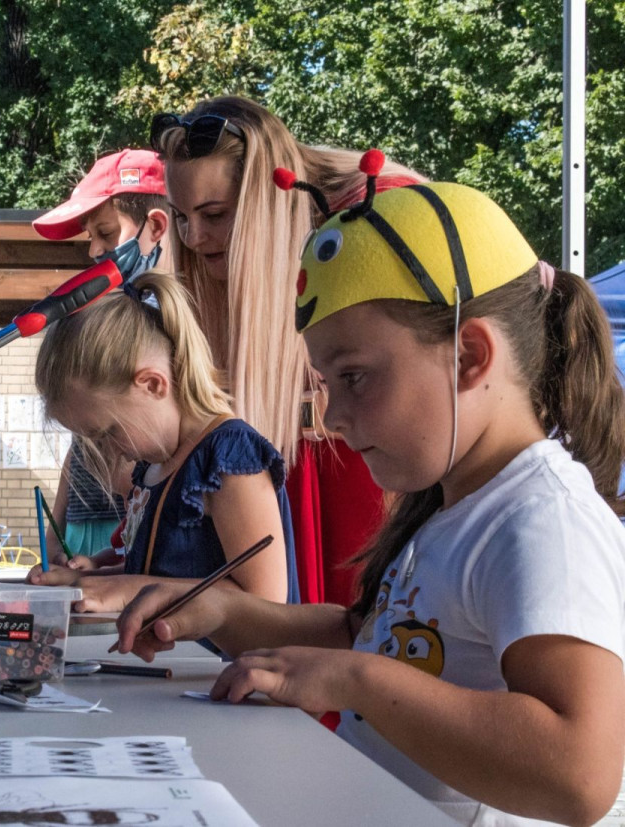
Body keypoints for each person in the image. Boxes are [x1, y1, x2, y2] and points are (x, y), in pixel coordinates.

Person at [116, 166, 625, 826]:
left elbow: (579, 775)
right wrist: (219, 610)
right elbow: (369, 636)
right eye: (327, 382)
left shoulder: (541, 520)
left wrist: (353, 679)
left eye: (355, 376)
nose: (333, 415)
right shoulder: (454, 505)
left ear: (469, 357)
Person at [151, 96, 422, 605]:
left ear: (264, 201)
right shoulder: (210, 257)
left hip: (362, 474)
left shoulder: (371, 211)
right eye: (181, 216)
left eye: (213, 214)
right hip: (297, 471)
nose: (194, 235)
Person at [29, 271, 298, 612]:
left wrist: (127, 589)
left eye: (107, 432)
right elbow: (159, 573)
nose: (108, 451)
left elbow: (265, 599)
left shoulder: (228, 457)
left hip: (228, 663)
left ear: (153, 385)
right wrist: (91, 580)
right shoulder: (153, 468)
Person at [32, 149, 170, 569]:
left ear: (157, 227)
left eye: (106, 234)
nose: (94, 251)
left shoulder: (165, 328)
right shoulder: (107, 319)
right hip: (93, 525)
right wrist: (57, 530)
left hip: (128, 517)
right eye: (90, 237)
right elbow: (81, 443)